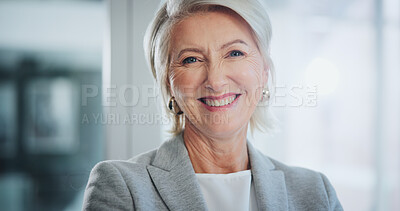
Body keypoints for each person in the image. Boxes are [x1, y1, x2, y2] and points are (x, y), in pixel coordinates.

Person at [83, 0, 343, 210]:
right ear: (168, 83)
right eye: (191, 59)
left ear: (264, 71)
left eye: (235, 53)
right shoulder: (122, 187)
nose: (216, 81)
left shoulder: (314, 191)